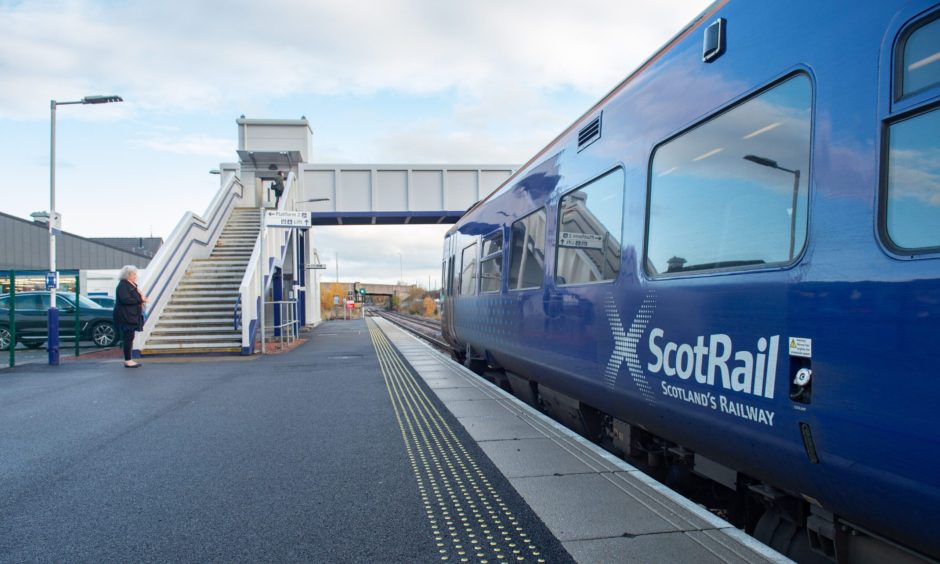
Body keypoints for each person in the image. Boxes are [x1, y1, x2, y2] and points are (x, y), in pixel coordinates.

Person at [113, 265, 148, 368]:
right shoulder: (123, 285)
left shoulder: (129, 285)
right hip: (126, 316)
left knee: (129, 337)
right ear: (128, 275)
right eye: (134, 274)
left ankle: (129, 359)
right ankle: (128, 360)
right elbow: (125, 299)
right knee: (128, 337)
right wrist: (140, 300)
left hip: (130, 315)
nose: (135, 275)